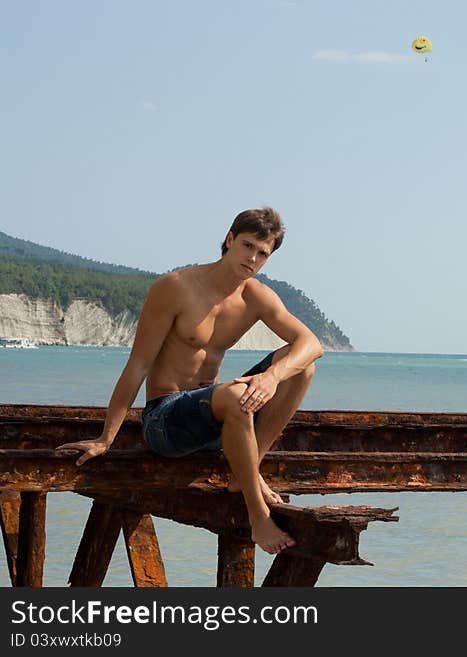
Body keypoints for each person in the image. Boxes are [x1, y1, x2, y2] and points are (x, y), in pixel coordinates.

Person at [55, 207, 324, 554]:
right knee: (235, 395)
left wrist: (272, 377)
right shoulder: (176, 287)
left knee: (302, 367)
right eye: (247, 246)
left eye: (262, 254)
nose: (252, 258)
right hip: (165, 420)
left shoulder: (254, 297)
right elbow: (137, 365)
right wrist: (107, 438)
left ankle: (249, 468)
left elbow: (311, 344)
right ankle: (258, 515)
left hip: (217, 418)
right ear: (229, 240)